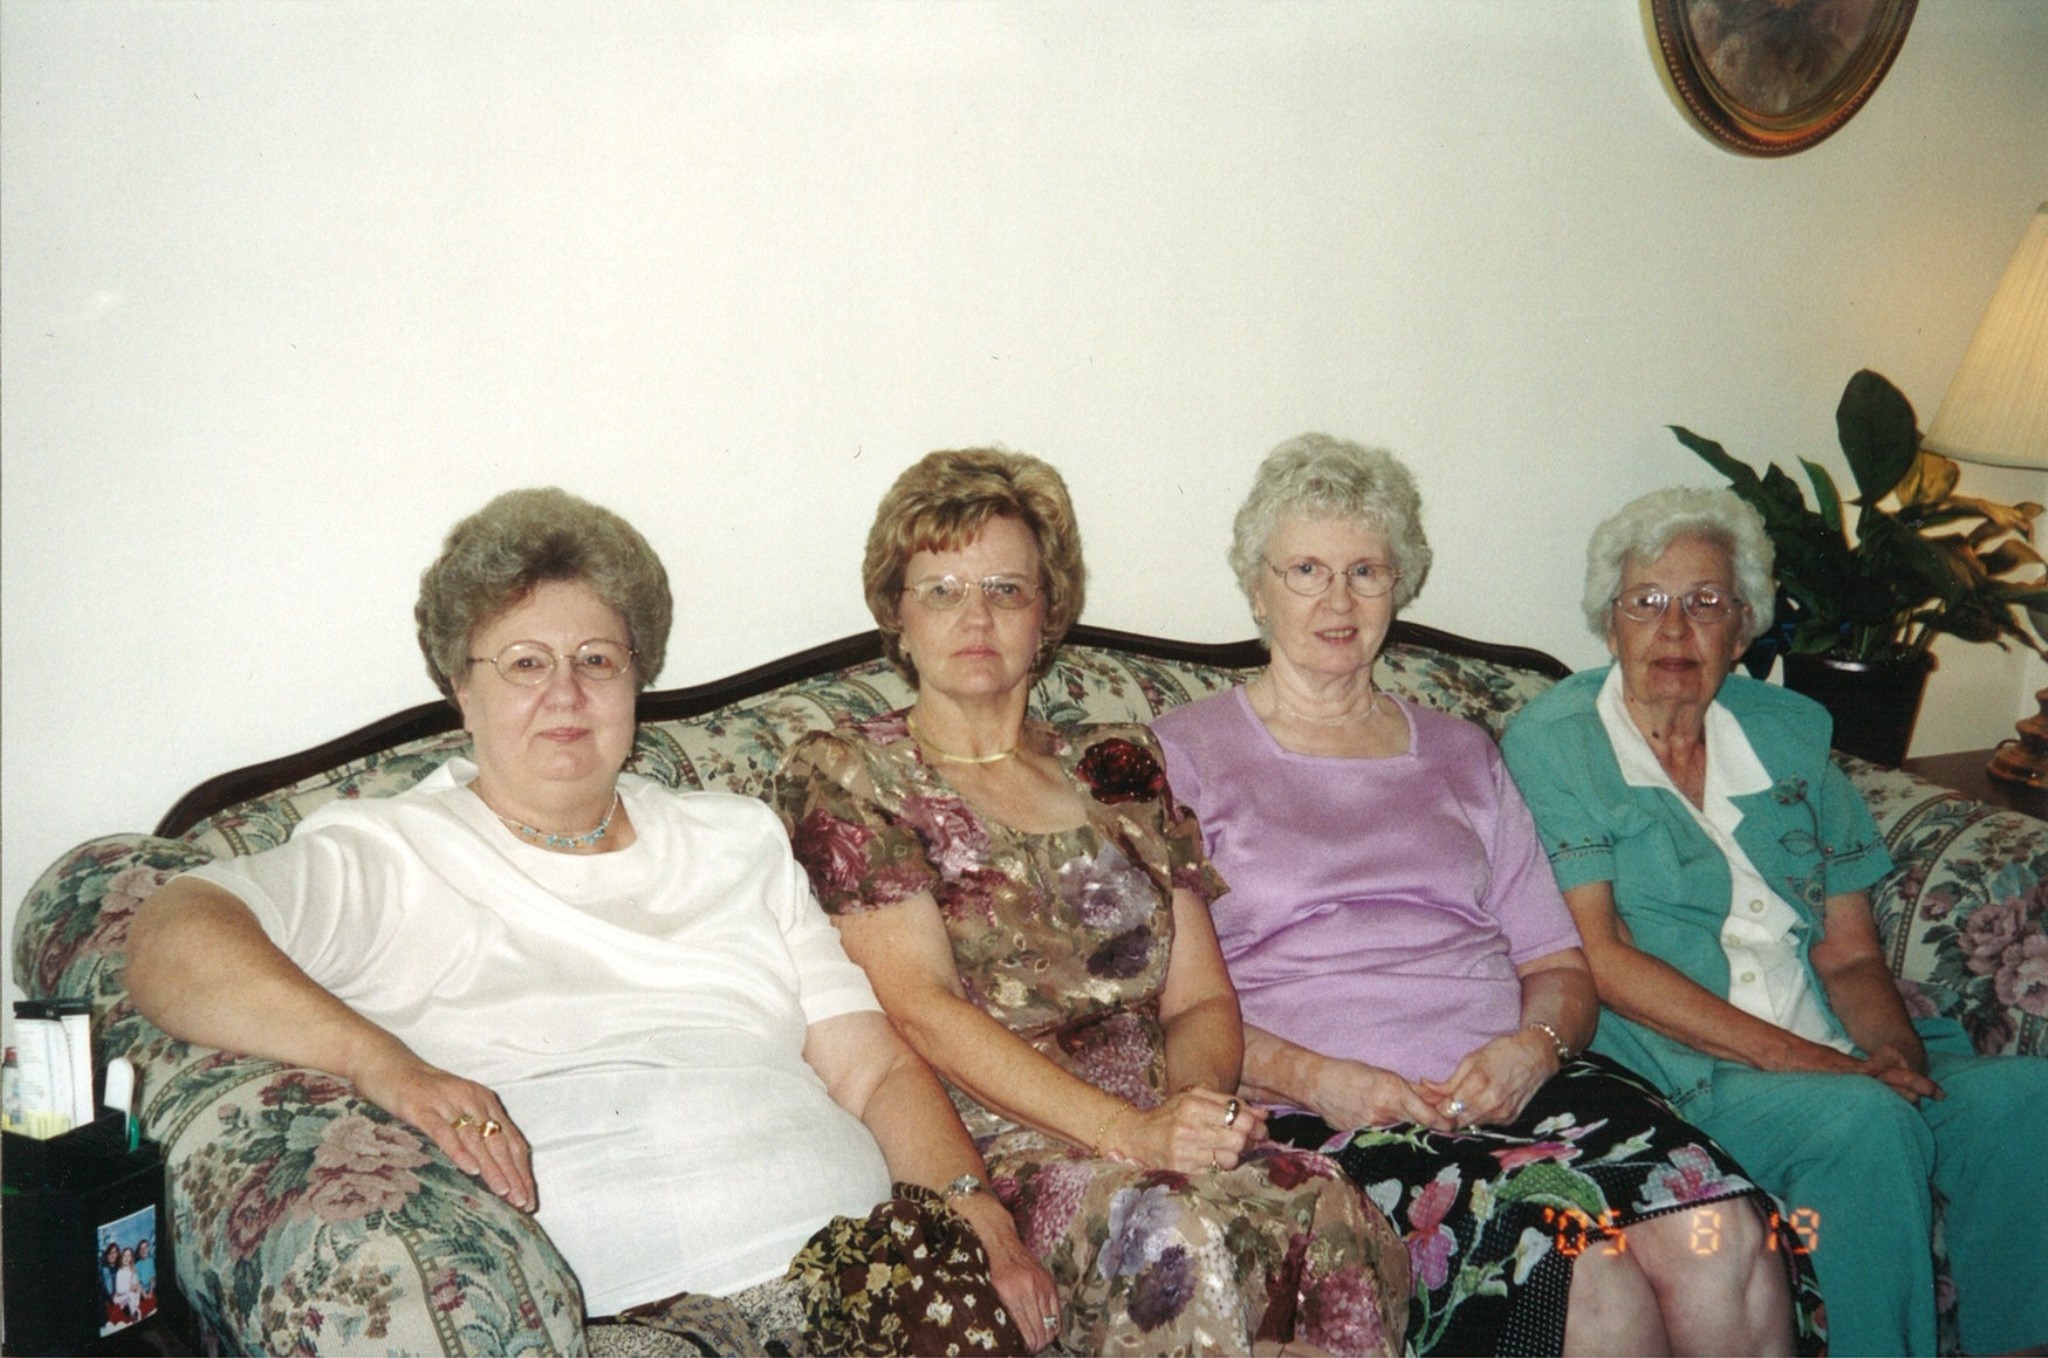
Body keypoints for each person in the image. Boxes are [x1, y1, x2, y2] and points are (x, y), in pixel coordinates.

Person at [126, 487, 1055, 1355]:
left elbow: (875, 1067)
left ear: (636, 678)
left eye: (597, 661)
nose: (566, 694)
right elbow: (172, 935)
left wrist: (970, 1205)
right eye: (526, 663)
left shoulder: (735, 838)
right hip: (627, 1317)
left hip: (867, 1276)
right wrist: (383, 1063)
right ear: (461, 687)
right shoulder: (392, 851)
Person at [1152, 436, 1822, 1356]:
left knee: (1724, 1237)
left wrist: (1534, 1049)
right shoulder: (1180, 755)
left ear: (1400, 584)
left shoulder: (1462, 751)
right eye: (1306, 570)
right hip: (1330, 1118)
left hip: (1517, 1093)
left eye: (1366, 571)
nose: (1338, 601)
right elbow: (1166, 1003)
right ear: (1257, 588)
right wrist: (1317, 1078)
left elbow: (1558, 964)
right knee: (1589, 1270)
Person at [774, 448, 1411, 1356]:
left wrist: (1187, 1119)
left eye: (1006, 589)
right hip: (999, 1146)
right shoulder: (851, 772)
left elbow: (1200, 998)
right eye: (942, 591)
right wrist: (1131, 1137)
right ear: (897, 616)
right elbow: (920, 1006)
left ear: (1048, 614)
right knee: (1170, 1234)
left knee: (1331, 1206)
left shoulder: (1119, 764)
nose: (976, 617)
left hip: (1155, 1133)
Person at [1500, 484, 2048, 1357]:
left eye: (1706, 602)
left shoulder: (1788, 732)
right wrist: (1814, 1066)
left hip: (1832, 1040)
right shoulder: (1557, 742)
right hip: (1687, 1068)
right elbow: (1599, 955)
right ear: (1609, 625)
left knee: (2021, 1099)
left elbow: (1849, 953)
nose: (1674, 629)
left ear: (1744, 625)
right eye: (1646, 602)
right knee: (1863, 1124)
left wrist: (1892, 1055)